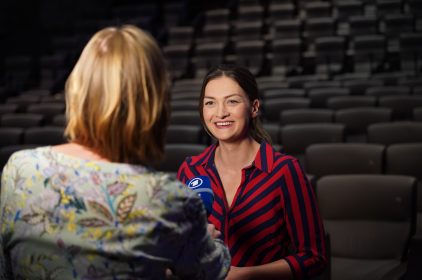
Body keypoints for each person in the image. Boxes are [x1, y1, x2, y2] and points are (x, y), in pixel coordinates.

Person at [0, 25, 230, 279]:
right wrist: (204, 239)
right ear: (155, 103)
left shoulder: (19, 169)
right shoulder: (168, 199)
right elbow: (212, 271)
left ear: (78, 90)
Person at [177, 64, 327, 279]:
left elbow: (314, 257)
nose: (220, 113)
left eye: (232, 101)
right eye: (210, 103)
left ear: (254, 107)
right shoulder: (190, 170)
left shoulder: (284, 170)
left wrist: (244, 276)